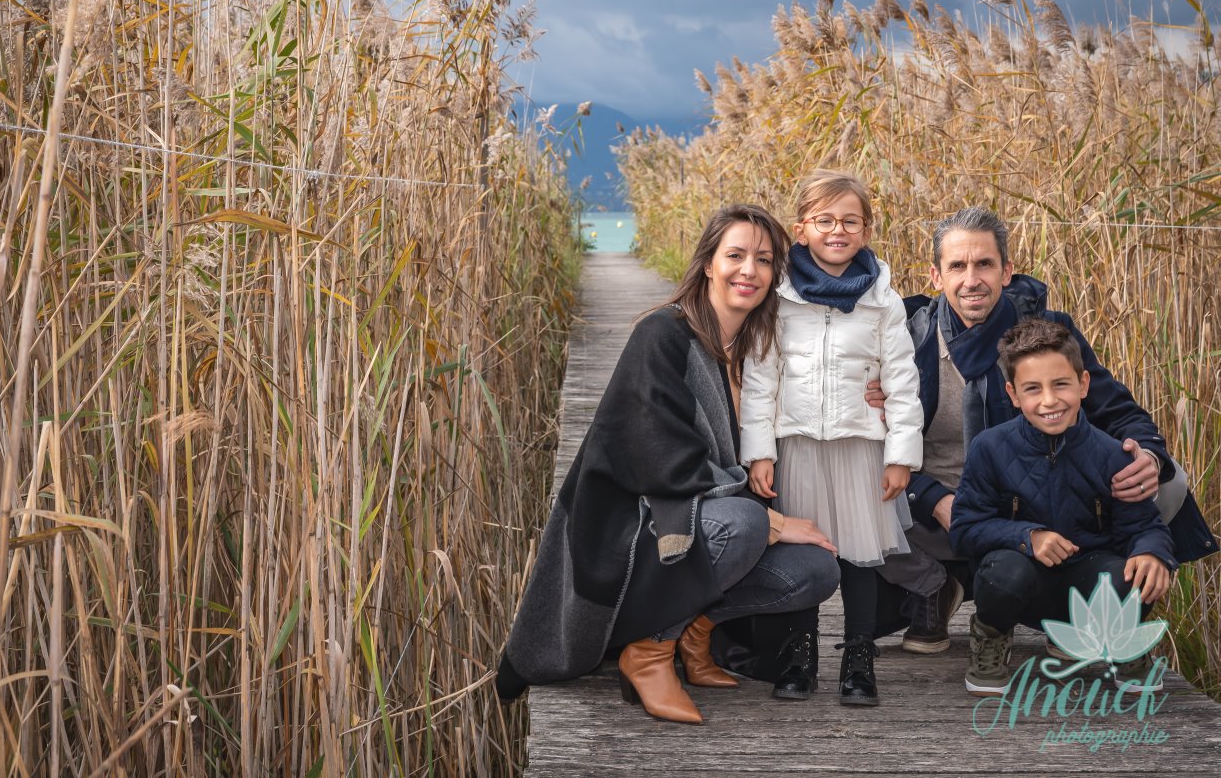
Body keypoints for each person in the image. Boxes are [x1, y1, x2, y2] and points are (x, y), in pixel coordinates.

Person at [495, 204, 841, 724]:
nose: (749, 270)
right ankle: (650, 650)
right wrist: (773, 521)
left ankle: (693, 633)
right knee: (745, 523)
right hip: (634, 529)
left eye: (765, 260)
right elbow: (658, 459)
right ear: (708, 263)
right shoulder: (663, 334)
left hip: (696, 525)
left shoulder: (758, 351)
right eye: (735, 255)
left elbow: (825, 391)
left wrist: (873, 395)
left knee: (814, 570)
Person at [874, 207, 1216, 650]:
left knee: (1169, 481)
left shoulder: (1046, 335)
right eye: (957, 266)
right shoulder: (905, 337)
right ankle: (933, 585)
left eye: (984, 264)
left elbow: (1119, 411)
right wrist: (934, 499)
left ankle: (1068, 605)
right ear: (936, 276)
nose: (972, 279)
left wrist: (1149, 456)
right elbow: (875, 437)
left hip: (1029, 497)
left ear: (1007, 272)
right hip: (936, 503)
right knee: (848, 480)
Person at [740, 170, 923, 707]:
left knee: (858, 558)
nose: (837, 230)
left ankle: (859, 659)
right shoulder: (779, 299)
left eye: (850, 221)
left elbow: (902, 381)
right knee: (804, 553)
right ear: (802, 229)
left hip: (860, 447)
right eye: (825, 220)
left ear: (866, 230)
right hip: (796, 446)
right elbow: (761, 380)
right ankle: (800, 657)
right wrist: (760, 451)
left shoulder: (882, 301)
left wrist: (901, 455)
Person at [950, 318, 1176, 694]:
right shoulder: (989, 448)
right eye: (1033, 389)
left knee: (1134, 575)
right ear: (1013, 394)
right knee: (1001, 572)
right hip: (1022, 585)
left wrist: (1153, 552)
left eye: (1061, 384)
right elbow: (965, 529)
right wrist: (1028, 537)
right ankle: (991, 637)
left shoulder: (1113, 454)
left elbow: (1144, 526)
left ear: (1083, 384)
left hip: (1088, 582)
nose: (1049, 401)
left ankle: (1125, 643)